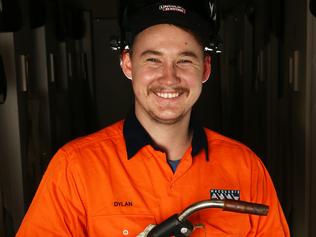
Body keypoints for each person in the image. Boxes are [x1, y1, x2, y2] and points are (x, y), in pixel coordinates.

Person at [16, 0, 290, 236]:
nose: (169, 78)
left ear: (205, 69)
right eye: (153, 60)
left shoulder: (246, 169)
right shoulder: (74, 168)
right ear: (127, 64)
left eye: (185, 60)